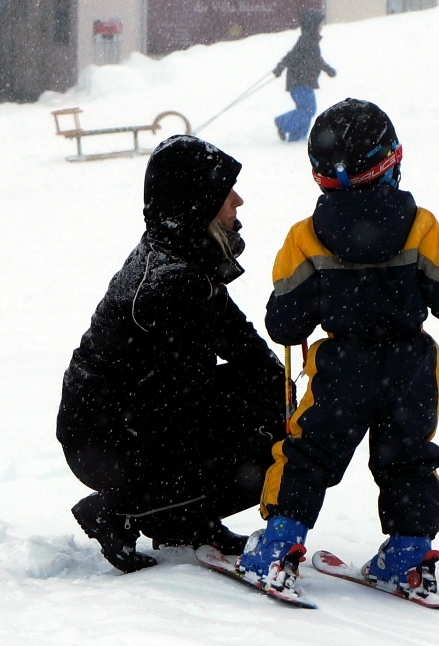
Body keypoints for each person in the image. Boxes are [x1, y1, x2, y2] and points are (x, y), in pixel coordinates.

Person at [236, 99, 439, 601]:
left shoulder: (307, 237)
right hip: (411, 368)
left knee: (309, 453)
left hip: (342, 370)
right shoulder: (421, 226)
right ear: (391, 160)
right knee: (409, 459)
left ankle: (280, 545)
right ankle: (408, 556)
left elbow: (285, 322)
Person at [57, 135, 288, 573]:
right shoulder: (170, 285)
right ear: (196, 203)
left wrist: (286, 397)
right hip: (103, 438)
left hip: (127, 418)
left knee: (273, 415)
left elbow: (242, 346)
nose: (238, 200)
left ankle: (184, 516)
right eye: (225, 193)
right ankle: (121, 511)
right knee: (264, 445)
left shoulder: (185, 256)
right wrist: (277, 426)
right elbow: (180, 406)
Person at [273, 9, 337, 142]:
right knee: (308, 110)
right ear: (312, 25)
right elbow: (292, 56)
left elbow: (317, 60)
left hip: (304, 81)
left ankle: (297, 138)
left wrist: (327, 69)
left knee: (306, 110)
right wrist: (280, 66)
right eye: (319, 24)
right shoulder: (306, 41)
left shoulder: (310, 41)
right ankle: (283, 123)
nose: (321, 27)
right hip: (299, 81)